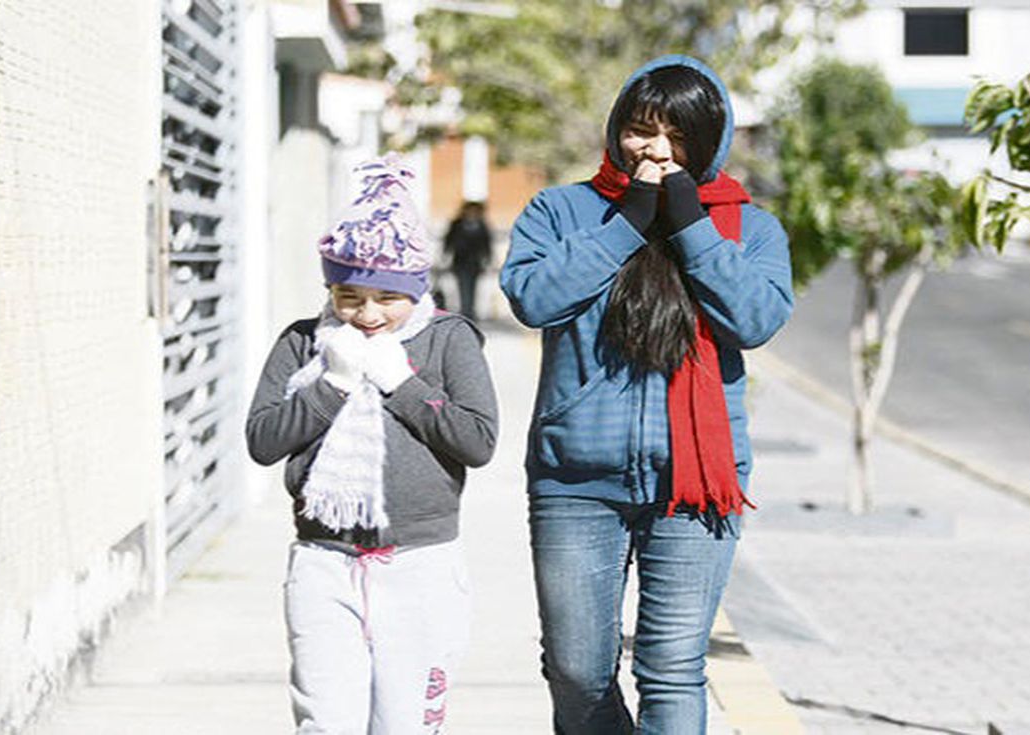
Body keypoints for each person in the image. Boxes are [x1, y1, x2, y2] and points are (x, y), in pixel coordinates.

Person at [500, 55, 793, 733]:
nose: (656, 150)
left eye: (678, 135)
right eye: (640, 129)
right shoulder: (562, 210)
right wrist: (626, 223)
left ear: (710, 141)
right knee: (576, 670)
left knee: (671, 667)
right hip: (576, 481)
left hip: (696, 485)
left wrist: (690, 226)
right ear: (616, 129)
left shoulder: (750, 228)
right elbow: (534, 299)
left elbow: (755, 320)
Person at [245, 154, 498, 734]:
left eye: (388, 297)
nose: (367, 315)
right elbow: (262, 440)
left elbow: (477, 441)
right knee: (324, 721)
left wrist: (401, 383)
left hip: (421, 564)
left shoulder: (449, 341)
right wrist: (332, 385)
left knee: (406, 725)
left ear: (416, 287)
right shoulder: (304, 343)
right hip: (322, 563)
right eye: (349, 296)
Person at [443, 200, 493, 320]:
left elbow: (487, 244)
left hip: (475, 263)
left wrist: (488, 259)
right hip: (460, 261)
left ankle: (470, 310)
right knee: (462, 286)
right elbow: (448, 241)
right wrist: (445, 256)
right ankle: (465, 310)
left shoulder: (482, 225)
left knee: (473, 287)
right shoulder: (457, 224)